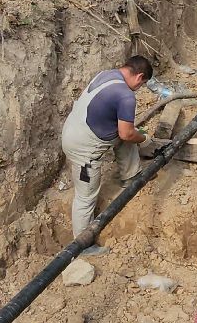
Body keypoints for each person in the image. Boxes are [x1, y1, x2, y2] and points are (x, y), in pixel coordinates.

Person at [60, 54, 155, 236]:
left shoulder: (106, 74)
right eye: (142, 85)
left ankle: (131, 176)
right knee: (85, 197)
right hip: (83, 151)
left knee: (125, 135)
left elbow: (124, 132)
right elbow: (127, 133)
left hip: (74, 130)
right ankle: (81, 244)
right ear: (140, 77)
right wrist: (145, 140)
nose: (139, 89)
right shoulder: (126, 96)